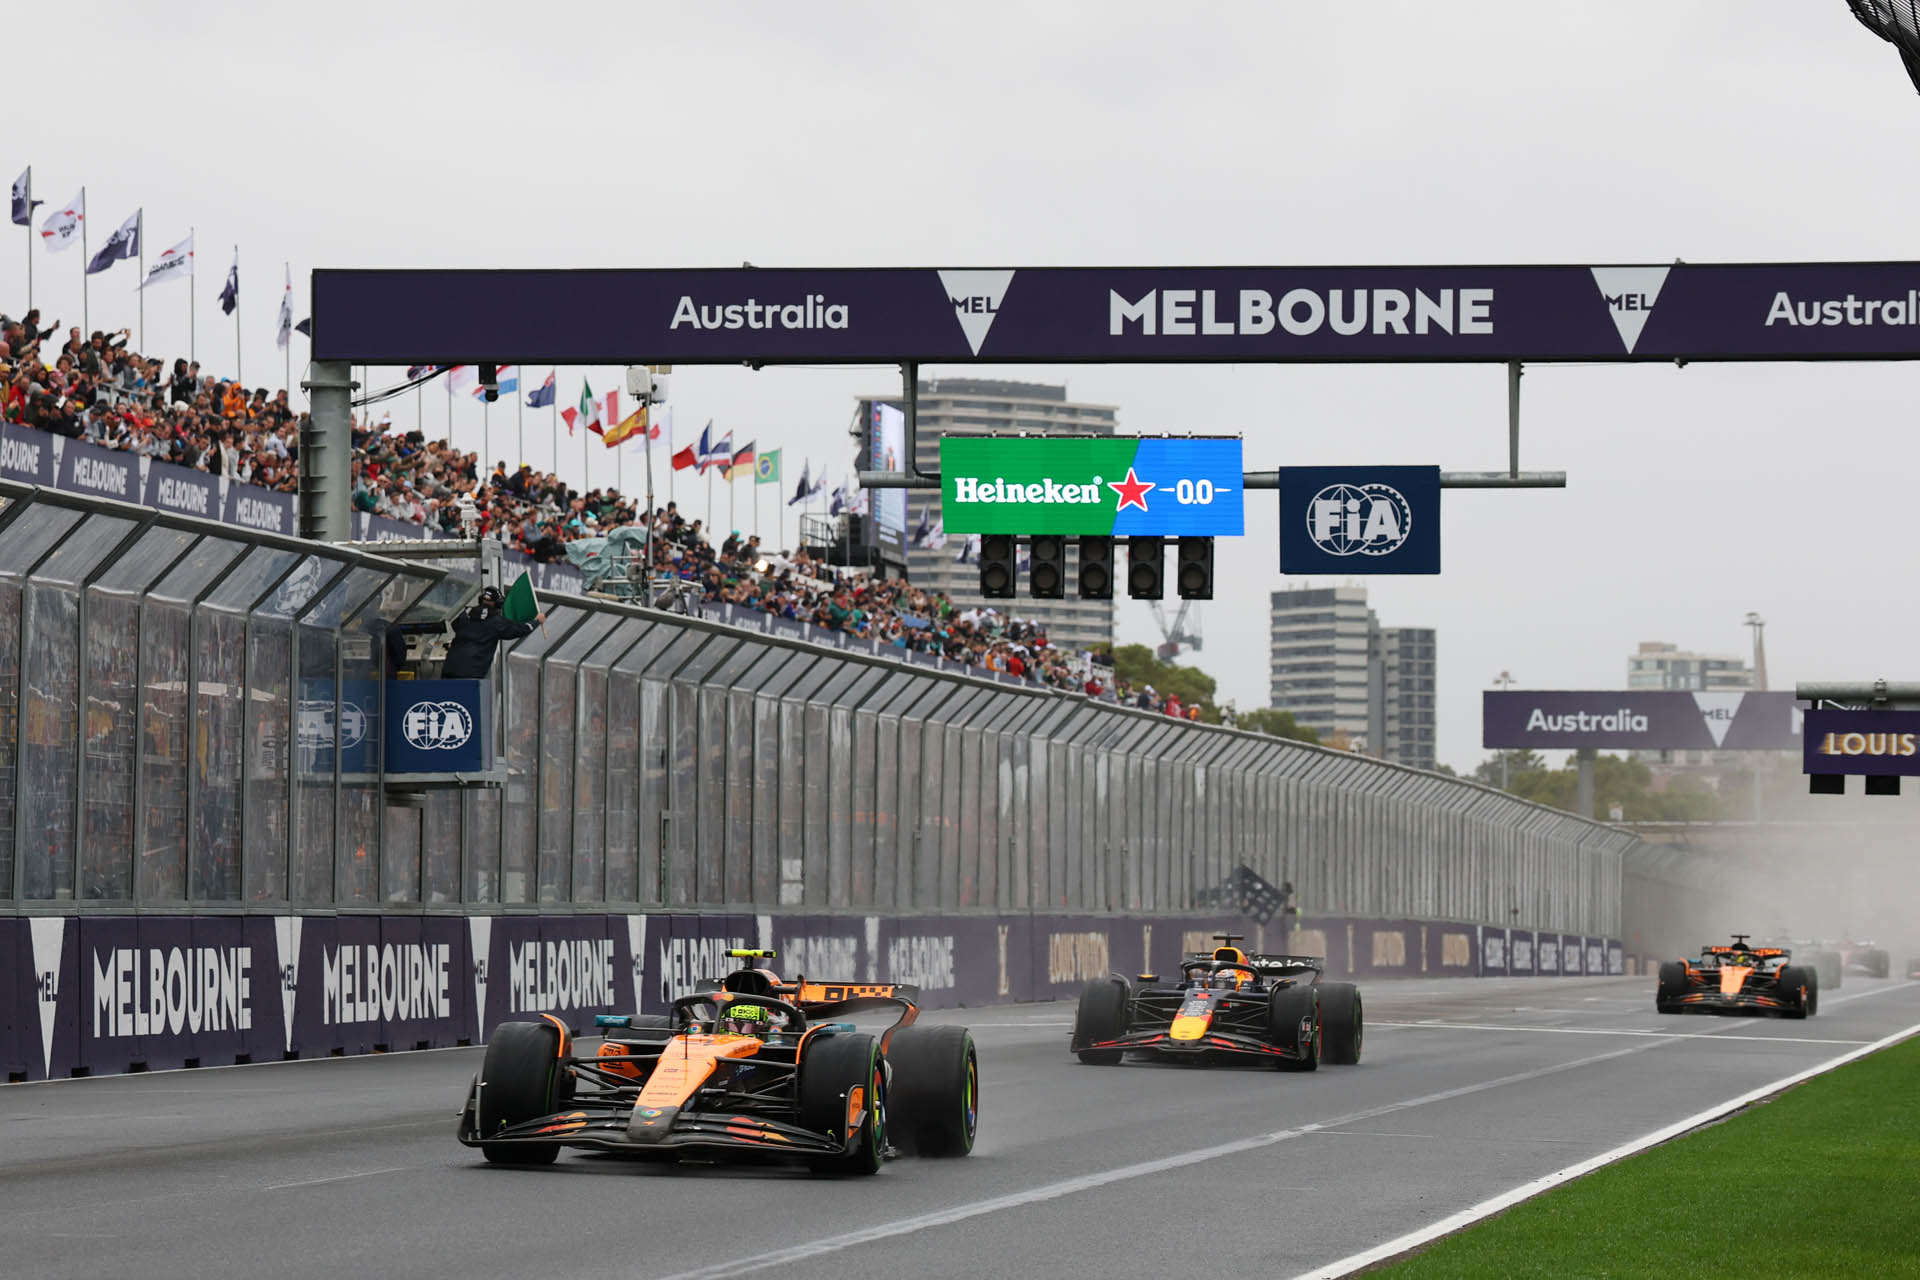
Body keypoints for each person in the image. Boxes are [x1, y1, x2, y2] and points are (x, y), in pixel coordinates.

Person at [440, 586, 542, 679]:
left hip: (449, 669)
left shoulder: (465, 614)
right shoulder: (496, 622)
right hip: (471, 675)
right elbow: (520, 630)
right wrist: (537, 621)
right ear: (498, 603)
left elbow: (455, 626)